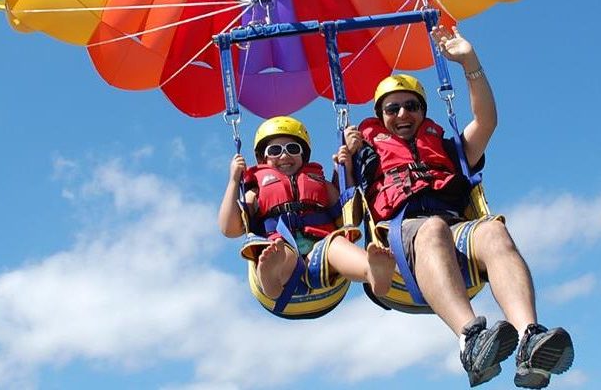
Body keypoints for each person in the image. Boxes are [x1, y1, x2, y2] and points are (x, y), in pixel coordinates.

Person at [344, 25, 574, 389]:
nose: (403, 113)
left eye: (412, 106)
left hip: (454, 226)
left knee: (493, 229)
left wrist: (469, 61)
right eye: (393, 108)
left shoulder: (449, 149)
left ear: (423, 111)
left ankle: (529, 337)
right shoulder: (366, 156)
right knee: (431, 227)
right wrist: (349, 158)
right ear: (380, 115)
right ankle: (470, 339)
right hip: (401, 234)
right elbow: (336, 197)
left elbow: (487, 122)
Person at [218, 115, 395, 306]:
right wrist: (234, 180)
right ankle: (271, 280)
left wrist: (345, 168)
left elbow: (349, 216)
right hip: (282, 247)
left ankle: (372, 271)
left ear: (304, 156)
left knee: (337, 245)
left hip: (320, 252)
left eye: (293, 149)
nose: (284, 156)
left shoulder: (322, 185)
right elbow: (230, 229)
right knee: (280, 254)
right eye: (275, 150)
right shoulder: (256, 191)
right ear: (263, 158)